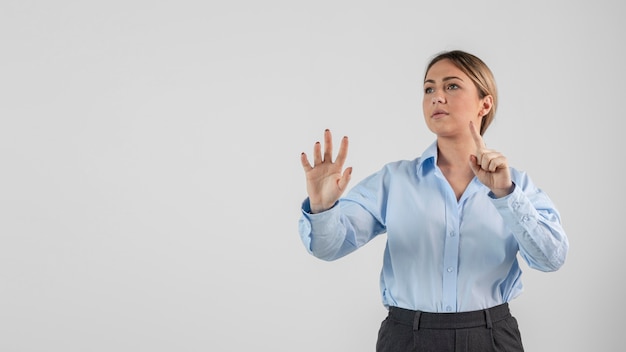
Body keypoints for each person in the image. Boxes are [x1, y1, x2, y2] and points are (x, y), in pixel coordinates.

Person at [297, 50, 569, 352]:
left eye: (451, 86)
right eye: (429, 89)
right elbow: (329, 247)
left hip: (490, 338)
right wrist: (322, 209)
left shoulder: (515, 185)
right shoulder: (395, 180)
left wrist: (506, 195)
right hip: (408, 338)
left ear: (485, 103)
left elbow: (551, 258)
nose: (437, 97)